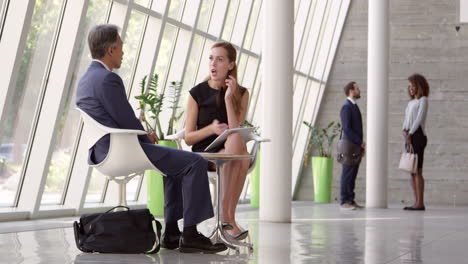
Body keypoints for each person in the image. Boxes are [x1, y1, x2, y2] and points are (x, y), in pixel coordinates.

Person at [76, 24, 227, 253]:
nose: (123, 53)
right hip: (120, 149)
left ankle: (173, 234)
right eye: (121, 47)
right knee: (194, 161)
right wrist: (147, 139)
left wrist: (145, 137)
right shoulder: (108, 79)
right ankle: (191, 234)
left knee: (174, 165)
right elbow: (126, 119)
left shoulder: (86, 79)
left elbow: (114, 119)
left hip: (103, 150)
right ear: (110, 50)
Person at [184, 41, 250, 240]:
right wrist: (211, 129)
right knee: (241, 156)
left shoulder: (241, 93)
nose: (213, 64)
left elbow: (234, 127)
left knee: (237, 148)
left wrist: (229, 99)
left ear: (230, 65)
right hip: (205, 152)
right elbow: (188, 138)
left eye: (220, 59)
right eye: (211, 58)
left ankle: (226, 217)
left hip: (230, 149)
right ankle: (228, 218)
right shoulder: (196, 94)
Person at [402, 73, 429, 211]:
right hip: (409, 135)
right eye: (409, 86)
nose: (410, 88)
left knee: (417, 170)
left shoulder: (423, 100)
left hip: (417, 136)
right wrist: (404, 131)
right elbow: (407, 119)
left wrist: (410, 133)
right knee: (411, 170)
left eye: (413, 85)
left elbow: (419, 119)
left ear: (419, 86)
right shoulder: (410, 102)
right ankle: (416, 201)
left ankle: (420, 203)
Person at [339, 81, 365, 210]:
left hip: (355, 145)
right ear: (351, 90)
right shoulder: (346, 106)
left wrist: (361, 144)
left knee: (353, 173)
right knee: (347, 173)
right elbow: (347, 128)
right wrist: (359, 142)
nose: (359, 90)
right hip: (350, 145)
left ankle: (350, 199)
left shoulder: (354, 106)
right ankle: (344, 201)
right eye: (357, 88)